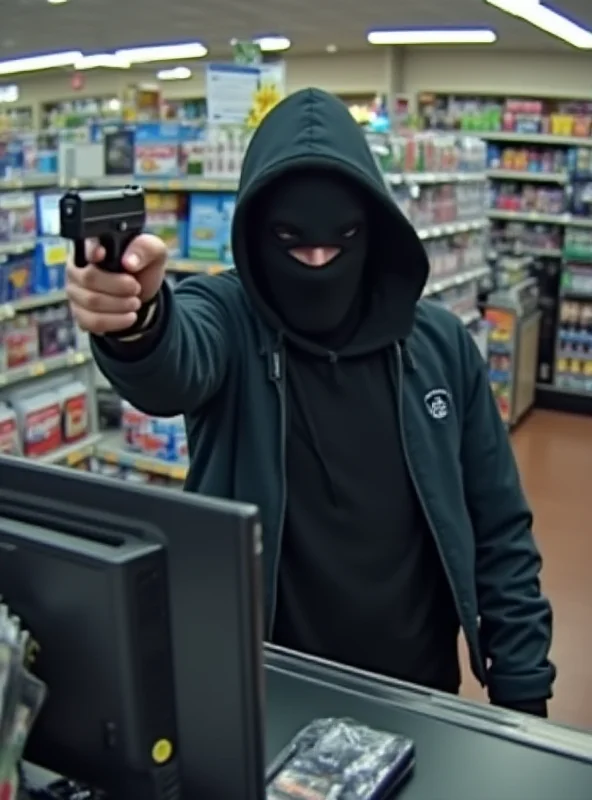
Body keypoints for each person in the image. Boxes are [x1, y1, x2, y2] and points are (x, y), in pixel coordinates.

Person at [66, 87, 555, 716]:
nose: (320, 261)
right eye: (293, 242)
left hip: (421, 688)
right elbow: (173, 365)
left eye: (342, 237)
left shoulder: (439, 346)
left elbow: (500, 528)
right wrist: (135, 320)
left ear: (375, 228)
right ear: (254, 235)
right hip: (261, 684)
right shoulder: (230, 318)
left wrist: (523, 690)